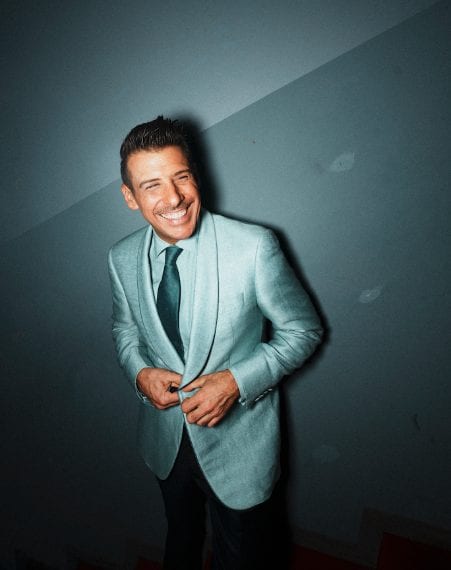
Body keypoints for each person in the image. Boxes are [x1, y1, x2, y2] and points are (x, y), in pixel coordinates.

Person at [108, 116, 323, 569]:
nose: (174, 198)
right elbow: (124, 329)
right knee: (180, 538)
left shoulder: (254, 247)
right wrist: (139, 373)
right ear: (130, 197)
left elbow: (303, 331)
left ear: (195, 176)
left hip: (239, 449)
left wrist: (236, 382)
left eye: (181, 176)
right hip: (165, 444)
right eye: (152, 186)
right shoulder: (120, 257)